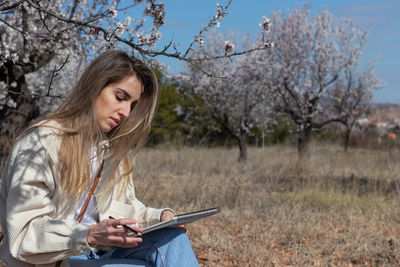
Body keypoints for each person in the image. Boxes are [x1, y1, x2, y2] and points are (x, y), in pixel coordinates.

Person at [0, 50, 199, 267]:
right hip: (56, 261)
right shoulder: (40, 143)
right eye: (120, 97)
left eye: (132, 105)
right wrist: (89, 235)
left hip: (100, 255)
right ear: (95, 87)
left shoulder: (111, 151)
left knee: (172, 238)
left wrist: (160, 218)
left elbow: (122, 209)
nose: (125, 112)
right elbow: (22, 236)